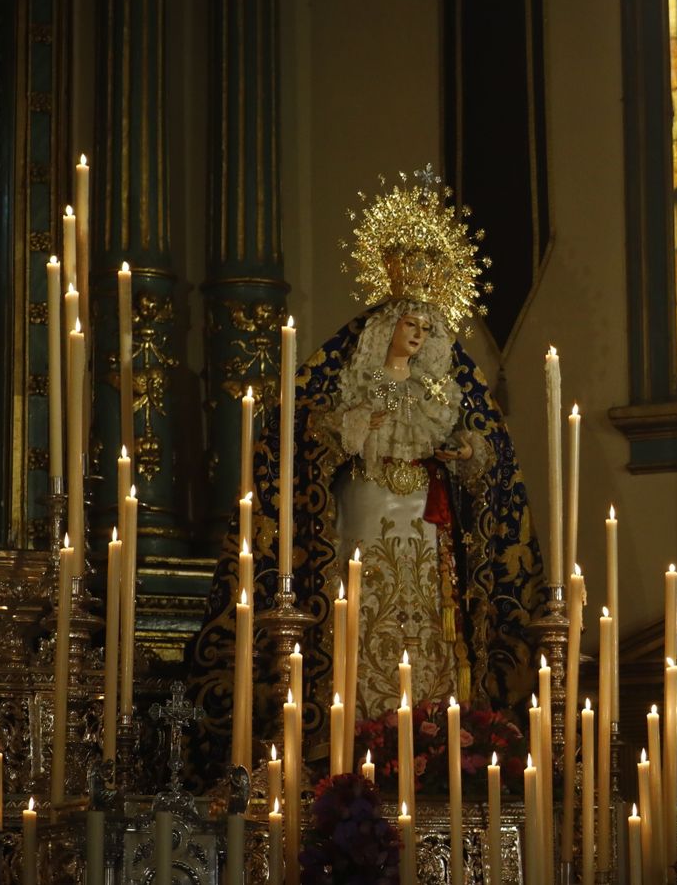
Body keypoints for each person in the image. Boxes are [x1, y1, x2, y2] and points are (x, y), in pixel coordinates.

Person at [186, 168, 546, 780]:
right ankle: (354, 734)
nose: (420, 334)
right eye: (412, 325)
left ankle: (433, 736)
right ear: (389, 324)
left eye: (429, 328)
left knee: (429, 618)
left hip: (428, 518)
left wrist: (464, 452)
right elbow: (297, 431)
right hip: (364, 506)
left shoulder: (449, 380)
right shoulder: (347, 365)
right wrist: (353, 426)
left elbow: (491, 454)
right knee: (361, 604)